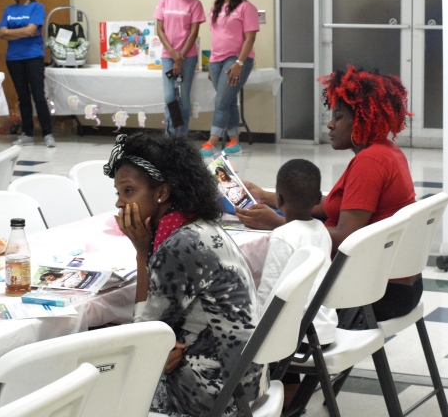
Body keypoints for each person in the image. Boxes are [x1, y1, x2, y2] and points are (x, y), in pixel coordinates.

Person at [236, 65, 419, 323]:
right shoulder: (383, 151)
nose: (331, 124)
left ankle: (262, 348)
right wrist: (267, 197)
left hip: (374, 292)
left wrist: (279, 224)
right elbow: (329, 207)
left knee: (247, 280)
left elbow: (346, 237)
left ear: (364, 120)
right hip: (390, 282)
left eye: (340, 117)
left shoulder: (371, 162)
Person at [104, 132, 267, 416]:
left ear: (162, 193)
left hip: (217, 394)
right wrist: (164, 345)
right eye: (118, 194)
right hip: (244, 381)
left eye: (128, 191)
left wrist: (142, 252)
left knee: (101, 379)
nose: (119, 203)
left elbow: (141, 336)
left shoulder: (181, 245)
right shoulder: (198, 225)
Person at [257, 158, 337, 408]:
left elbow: (268, 296)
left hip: (300, 336)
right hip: (324, 328)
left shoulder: (282, 236)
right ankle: (291, 392)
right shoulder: (322, 230)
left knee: (260, 330)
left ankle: (270, 400)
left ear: (278, 199)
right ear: (317, 200)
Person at [200, 0, 259, 157]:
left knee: (221, 102)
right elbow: (217, 37)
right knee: (229, 101)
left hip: (236, 59)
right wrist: (210, 63)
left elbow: (250, 38)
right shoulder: (215, 8)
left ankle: (211, 142)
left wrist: (239, 63)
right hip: (216, 60)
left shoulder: (245, 7)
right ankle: (235, 142)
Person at [0, 0, 56, 147]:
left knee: (38, 96)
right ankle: (27, 133)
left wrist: (11, 33)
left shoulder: (37, 8)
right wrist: (23, 32)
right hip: (14, 58)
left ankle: (47, 133)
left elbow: (32, 30)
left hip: (33, 57)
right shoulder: (9, 10)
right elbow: (1, 33)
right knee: (23, 97)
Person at [154, 0, 205, 135]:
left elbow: (194, 32)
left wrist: (180, 57)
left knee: (183, 100)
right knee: (170, 98)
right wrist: (173, 54)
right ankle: (170, 137)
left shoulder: (195, 3)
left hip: (188, 58)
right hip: (169, 56)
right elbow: (160, 30)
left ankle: (181, 138)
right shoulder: (164, 1)